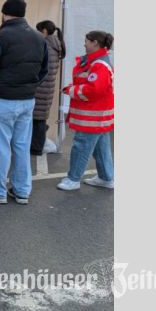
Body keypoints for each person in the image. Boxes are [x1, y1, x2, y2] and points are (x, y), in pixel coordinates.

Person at [0, 0, 48, 205]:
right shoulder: (38, 37)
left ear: (4, 13)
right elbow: (44, 69)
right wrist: (31, 86)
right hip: (27, 99)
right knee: (21, 146)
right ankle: (22, 190)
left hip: (2, 99)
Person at [57, 31, 114, 191]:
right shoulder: (97, 62)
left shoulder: (99, 64)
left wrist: (71, 90)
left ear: (95, 43)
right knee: (101, 148)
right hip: (97, 115)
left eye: (86, 41)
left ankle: (73, 179)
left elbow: (93, 90)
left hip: (92, 116)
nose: (84, 44)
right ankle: (106, 177)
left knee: (81, 146)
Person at [31, 20, 66, 156]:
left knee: (37, 120)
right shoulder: (56, 44)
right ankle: (36, 146)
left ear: (44, 31)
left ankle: (36, 148)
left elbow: (42, 68)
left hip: (40, 87)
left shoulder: (46, 45)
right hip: (47, 88)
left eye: (39, 31)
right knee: (39, 118)